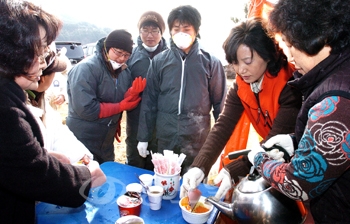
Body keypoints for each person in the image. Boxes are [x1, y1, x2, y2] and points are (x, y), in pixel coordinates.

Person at [0, 1, 106, 223]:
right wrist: (85, 177)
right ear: (12, 52)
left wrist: (44, 156)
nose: (42, 63)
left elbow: (14, 160)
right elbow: (33, 173)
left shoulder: (11, 95)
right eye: (38, 51)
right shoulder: (5, 107)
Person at [246, 0, 350, 222]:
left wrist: (258, 159)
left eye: (288, 44)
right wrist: (296, 141)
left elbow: (297, 184)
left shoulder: (338, 99)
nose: (289, 58)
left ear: (314, 37)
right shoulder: (338, 73)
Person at [180, 17, 303, 200]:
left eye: (247, 61)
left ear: (267, 54)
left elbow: (275, 141)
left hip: (296, 158)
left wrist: (234, 170)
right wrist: (199, 166)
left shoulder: (290, 85)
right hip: (268, 154)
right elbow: (223, 126)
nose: (241, 70)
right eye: (235, 62)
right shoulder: (241, 85)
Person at [137, 5, 227, 174]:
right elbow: (149, 102)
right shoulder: (159, 61)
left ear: (197, 30)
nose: (181, 33)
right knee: (165, 179)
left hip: (197, 135)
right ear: (170, 32)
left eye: (186, 28)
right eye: (176, 29)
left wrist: (222, 142)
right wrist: (143, 137)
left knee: (193, 184)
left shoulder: (210, 62)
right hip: (166, 134)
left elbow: (220, 105)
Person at [66, 29, 146, 163]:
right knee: (84, 178)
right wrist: (120, 107)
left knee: (105, 175)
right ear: (107, 48)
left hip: (106, 140)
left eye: (126, 55)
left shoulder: (123, 72)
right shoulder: (86, 69)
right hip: (83, 136)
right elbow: (86, 109)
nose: (121, 58)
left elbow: (117, 96)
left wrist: (130, 94)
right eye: (118, 52)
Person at [26, 48, 94, 164]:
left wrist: (80, 155)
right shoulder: (19, 109)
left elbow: (59, 133)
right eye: (53, 74)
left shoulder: (41, 101)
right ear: (41, 77)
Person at [125, 11, 168, 170]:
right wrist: (131, 93)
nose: (150, 35)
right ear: (139, 32)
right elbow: (121, 85)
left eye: (154, 31)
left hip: (161, 117)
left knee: (157, 163)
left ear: (161, 33)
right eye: (145, 30)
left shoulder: (169, 55)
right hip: (136, 116)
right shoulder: (131, 56)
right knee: (134, 161)